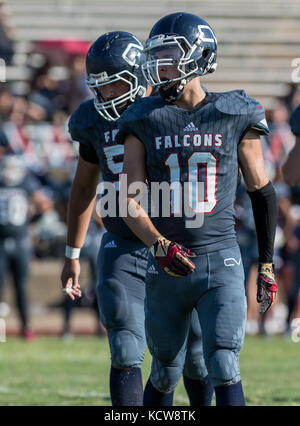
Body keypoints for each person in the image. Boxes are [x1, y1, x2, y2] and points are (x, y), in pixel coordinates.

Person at [117, 12, 278, 406]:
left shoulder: (236, 111)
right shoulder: (145, 117)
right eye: (155, 57)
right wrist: (157, 245)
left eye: (169, 55)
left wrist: (267, 264)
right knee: (166, 369)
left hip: (220, 258)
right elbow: (127, 198)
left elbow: (262, 191)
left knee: (223, 363)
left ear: (199, 56)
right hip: (167, 263)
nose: (160, 66)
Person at [60, 31, 213, 406]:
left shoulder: (171, 106)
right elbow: (82, 189)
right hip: (124, 241)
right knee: (126, 346)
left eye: (113, 86)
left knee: (193, 356)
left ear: (138, 76)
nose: (105, 97)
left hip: (175, 239)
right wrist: (72, 253)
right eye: (99, 88)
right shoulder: (91, 120)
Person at [0, 154, 53, 340]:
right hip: (3, 241)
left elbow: (46, 204)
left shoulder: (25, 183)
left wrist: (29, 222)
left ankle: (26, 327)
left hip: (21, 240)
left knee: (21, 287)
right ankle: (6, 330)